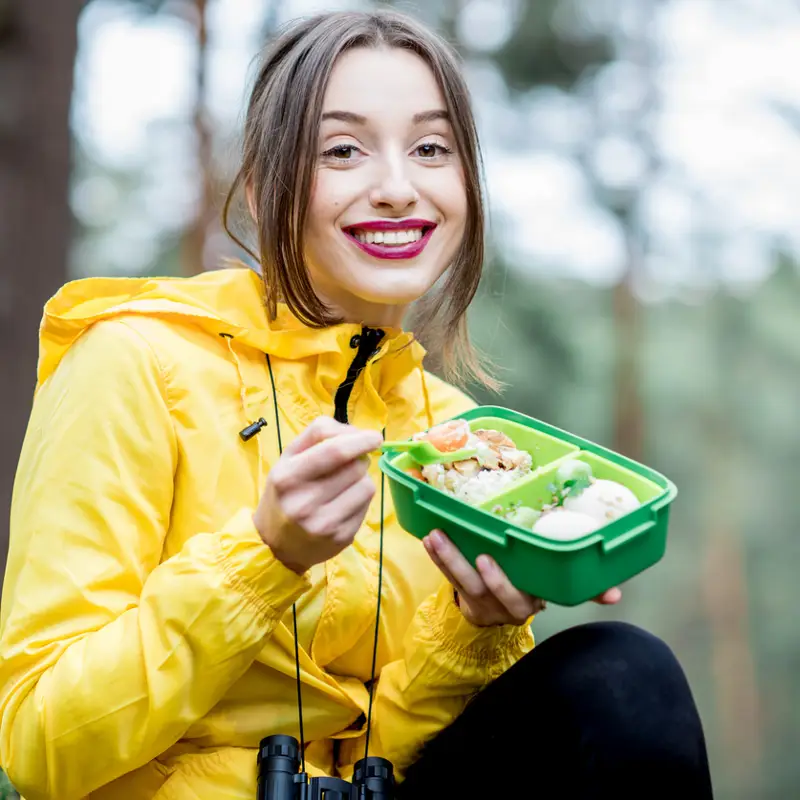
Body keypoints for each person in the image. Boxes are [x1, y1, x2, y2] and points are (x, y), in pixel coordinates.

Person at [0, 9, 713, 800]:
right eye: (343, 150)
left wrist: (477, 627)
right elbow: (39, 745)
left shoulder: (454, 439)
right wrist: (263, 558)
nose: (398, 189)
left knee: (622, 678)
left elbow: (391, 754)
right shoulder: (134, 362)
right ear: (270, 183)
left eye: (431, 149)